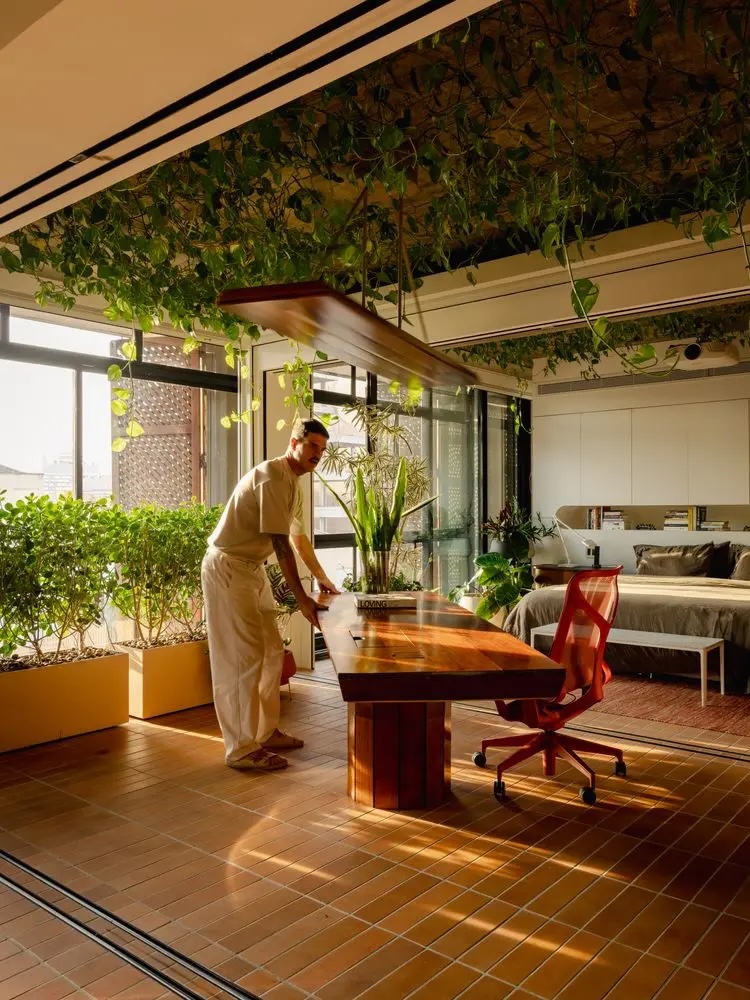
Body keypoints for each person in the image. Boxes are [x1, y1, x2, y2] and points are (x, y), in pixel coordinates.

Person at [201, 417, 339, 771]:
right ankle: (240, 749)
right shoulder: (271, 476)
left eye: (322, 449)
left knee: (272, 651)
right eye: (312, 446)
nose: (318, 454)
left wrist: (321, 578)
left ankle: (264, 732)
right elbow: (280, 544)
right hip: (229, 567)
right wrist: (302, 600)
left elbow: (297, 538)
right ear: (294, 443)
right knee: (242, 658)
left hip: (252, 569)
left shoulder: (293, 483)